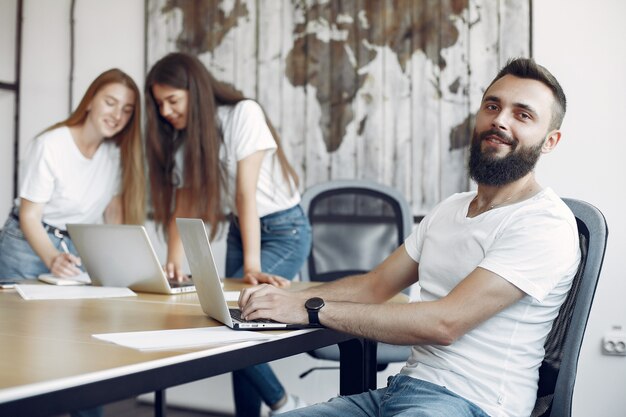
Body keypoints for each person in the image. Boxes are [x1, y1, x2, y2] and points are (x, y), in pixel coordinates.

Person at [238, 57, 581, 417]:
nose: (500, 120)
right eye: (492, 106)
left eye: (522, 115)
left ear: (550, 141)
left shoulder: (544, 222)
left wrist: (311, 310)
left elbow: (444, 323)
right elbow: (373, 286)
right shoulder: (451, 207)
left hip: (470, 404)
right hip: (397, 393)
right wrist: (281, 299)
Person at [144, 52, 312, 416]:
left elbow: (244, 193)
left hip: (284, 229)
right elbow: (184, 201)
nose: (165, 112)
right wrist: (173, 263)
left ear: (196, 90)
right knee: (231, 326)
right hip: (242, 229)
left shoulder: (243, 114)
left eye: (172, 100)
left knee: (240, 323)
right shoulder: (190, 140)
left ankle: (284, 404)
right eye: (159, 104)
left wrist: (251, 264)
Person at [0, 68, 145, 280]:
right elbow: (29, 215)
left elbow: (113, 213)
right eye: (110, 103)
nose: (117, 115)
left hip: (75, 251)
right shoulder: (49, 145)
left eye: (127, 110)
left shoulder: (115, 155)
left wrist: (120, 261)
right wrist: (52, 258)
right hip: (25, 246)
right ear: (89, 102)